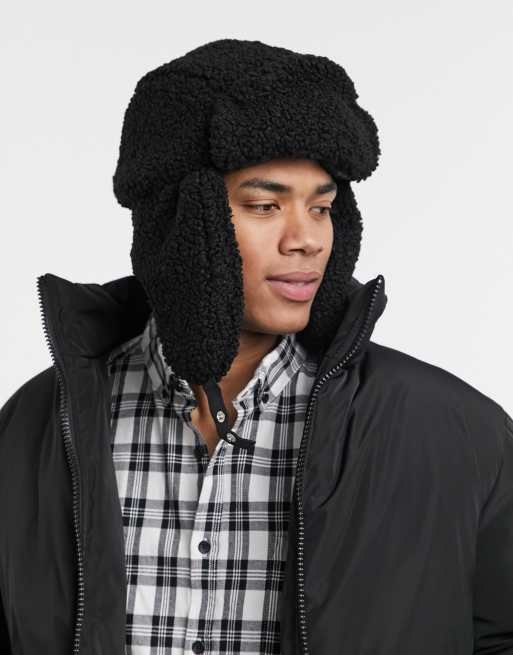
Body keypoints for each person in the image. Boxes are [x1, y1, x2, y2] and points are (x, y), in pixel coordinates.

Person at [0, 38, 512, 655]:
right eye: (266, 205)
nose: (307, 240)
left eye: (321, 208)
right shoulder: (33, 428)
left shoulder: (454, 432)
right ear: (175, 221)